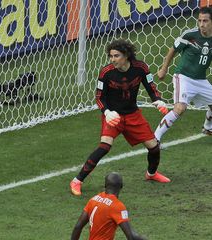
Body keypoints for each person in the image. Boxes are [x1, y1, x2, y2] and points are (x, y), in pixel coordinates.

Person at [70, 39, 170, 197]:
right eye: (111, 56)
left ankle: (151, 174)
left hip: (132, 115)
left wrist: (157, 100)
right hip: (113, 116)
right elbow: (99, 97)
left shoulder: (141, 68)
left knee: (154, 147)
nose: (112, 59)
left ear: (126, 55)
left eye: (116, 56)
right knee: (104, 147)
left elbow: (151, 87)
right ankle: (77, 180)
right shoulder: (106, 72)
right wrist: (107, 112)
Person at [155, 6, 212, 142]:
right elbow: (173, 50)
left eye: (205, 21)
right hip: (184, 77)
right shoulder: (190, 35)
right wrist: (164, 69)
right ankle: (155, 138)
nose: (201, 24)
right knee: (180, 108)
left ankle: (208, 127)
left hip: (201, 80)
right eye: (199, 21)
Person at [70, 172, 147, 240]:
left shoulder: (93, 199)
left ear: (105, 185)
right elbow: (131, 236)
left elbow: (78, 226)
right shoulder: (117, 206)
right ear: (121, 186)